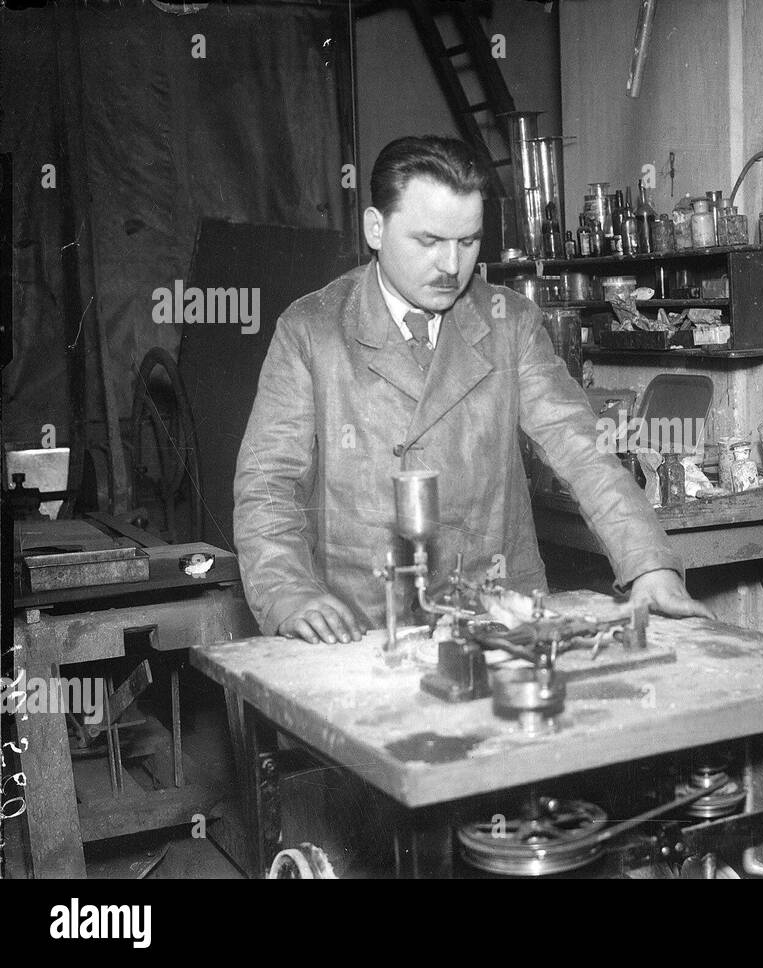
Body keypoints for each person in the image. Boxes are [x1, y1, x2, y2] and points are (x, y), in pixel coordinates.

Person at [234, 135, 710, 643]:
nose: (450, 266)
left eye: (467, 242)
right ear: (376, 228)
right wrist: (290, 592)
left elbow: (582, 449)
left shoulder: (510, 322)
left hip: (497, 618)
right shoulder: (313, 328)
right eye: (429, 241)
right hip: (360, 625)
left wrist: (647, 563)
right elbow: (268, 483)